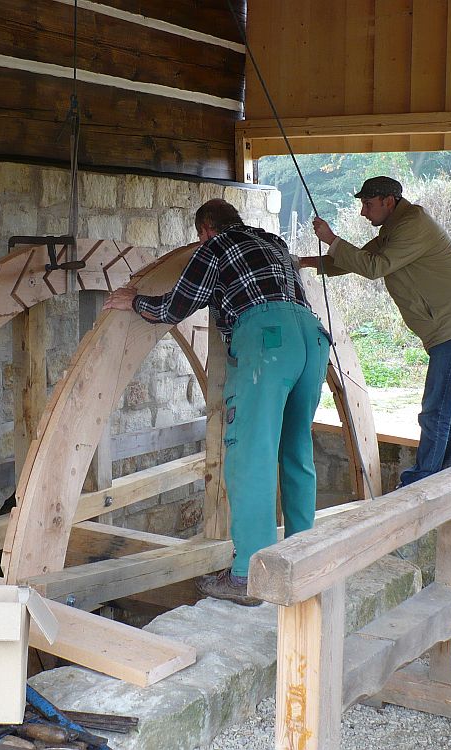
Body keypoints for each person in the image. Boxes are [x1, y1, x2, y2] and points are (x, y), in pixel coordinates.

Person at [103, 199, 330, 606]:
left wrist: (134, 300)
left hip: (269, 343)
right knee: (296, 451)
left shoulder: (216, 246)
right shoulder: (273, 242)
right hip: (313, 340)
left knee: (251, 456)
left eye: (200, 234)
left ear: (206, 228)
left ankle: (249, 576)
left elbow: (175, 306)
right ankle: (303, 558)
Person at [310, 176, 451, 487]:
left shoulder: (412, 225)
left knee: (436, 407)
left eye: (368, 204)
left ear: (389, 201)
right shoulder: (395, 228)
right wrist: (303, 261)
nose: (363, 212)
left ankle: (423, 481)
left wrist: (332, 239)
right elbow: (357, 261)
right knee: (450, 404)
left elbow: (374, 268)